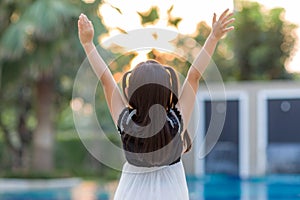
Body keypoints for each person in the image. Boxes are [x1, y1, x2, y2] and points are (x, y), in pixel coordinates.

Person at [78, 8, 234, 200]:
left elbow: (106, 80)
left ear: (130, 93)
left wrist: (88, 44)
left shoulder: (127, 123)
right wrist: (213, 38)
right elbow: (194, 76)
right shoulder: (176, 122)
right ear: (168, 92)